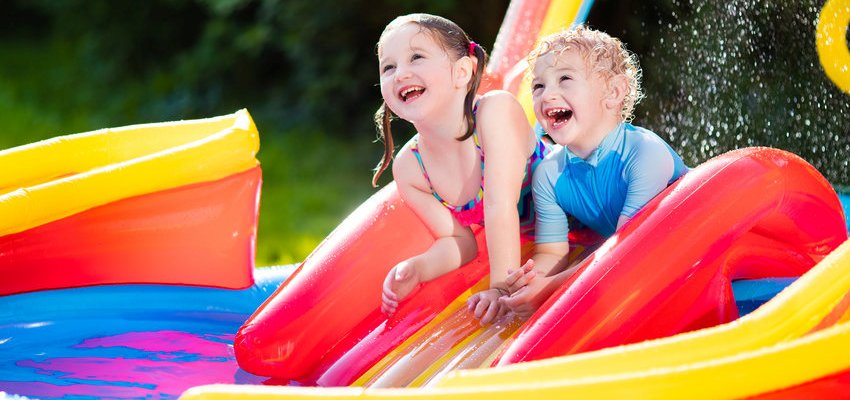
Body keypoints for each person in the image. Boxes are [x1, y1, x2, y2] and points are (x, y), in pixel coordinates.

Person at [500, 26, 689, 318]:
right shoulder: (550, 174)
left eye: (565, 79)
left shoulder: (644, 153)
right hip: (634, 265)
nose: (547, 95)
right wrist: (530, 280)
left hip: (693, 247)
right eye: (539, 86)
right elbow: (553, 252)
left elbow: (625, 249)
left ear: (613, 92)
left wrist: (550, 288)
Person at [373, 13, 550, 324]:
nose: (400, 73)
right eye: (389, 66)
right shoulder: (411, 168)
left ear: (462, 72)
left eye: (416, 57)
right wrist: (418, 269)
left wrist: (500, 288)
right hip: (549, 241)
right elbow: (460, 243)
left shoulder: (494, 112)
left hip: (587, 200)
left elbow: (499, 205)